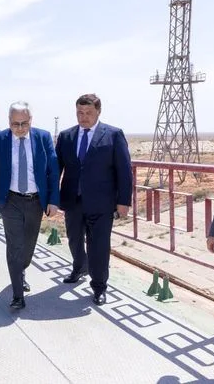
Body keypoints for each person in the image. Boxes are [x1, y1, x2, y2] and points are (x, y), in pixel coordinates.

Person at [56, 93, 132, 306]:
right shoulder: (66, 136)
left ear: (98, 111)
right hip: (73, 200)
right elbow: (56, 168)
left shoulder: (113, 135)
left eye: (88, 112)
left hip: (102, 203)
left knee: (98, 245)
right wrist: (52, 198)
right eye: (80, 112)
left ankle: (99, 286)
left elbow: (124, 171)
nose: (84, 117)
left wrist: (124, 201)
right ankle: (80, 267)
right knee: (74, 239)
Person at [0, 102, 59, 309]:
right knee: (14, 246)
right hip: (10, 200)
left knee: (28, 246)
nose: (19, 128)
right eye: (15, 124)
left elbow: (53, 171)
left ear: (31, 121)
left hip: (35, 201)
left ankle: (21, 270)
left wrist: (53, 200)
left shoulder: (43, 137)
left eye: (24, 124)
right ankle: (17, 295)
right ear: (8, 121)